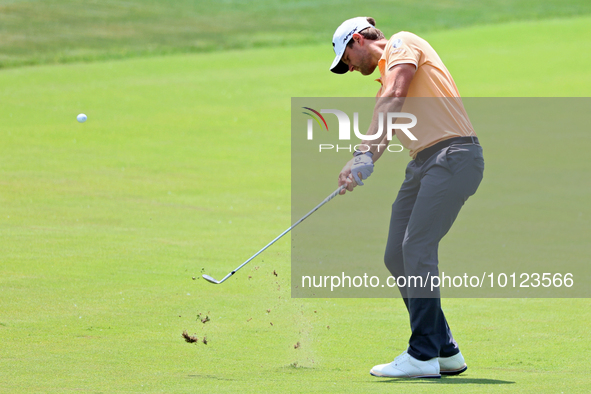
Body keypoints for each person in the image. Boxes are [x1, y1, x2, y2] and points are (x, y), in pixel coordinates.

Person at [329, 17, 484, 378]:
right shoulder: (385, 82)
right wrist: (359, 161)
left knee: (416, 248)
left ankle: (422, 354)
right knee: (396, 254)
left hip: (455, 155)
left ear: (358, 40)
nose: (348, 68)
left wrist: (364, 153)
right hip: (424, 164)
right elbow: (385, 122)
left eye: (346, 59)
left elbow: (395, 96)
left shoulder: (402, 43)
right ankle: (444, 350)